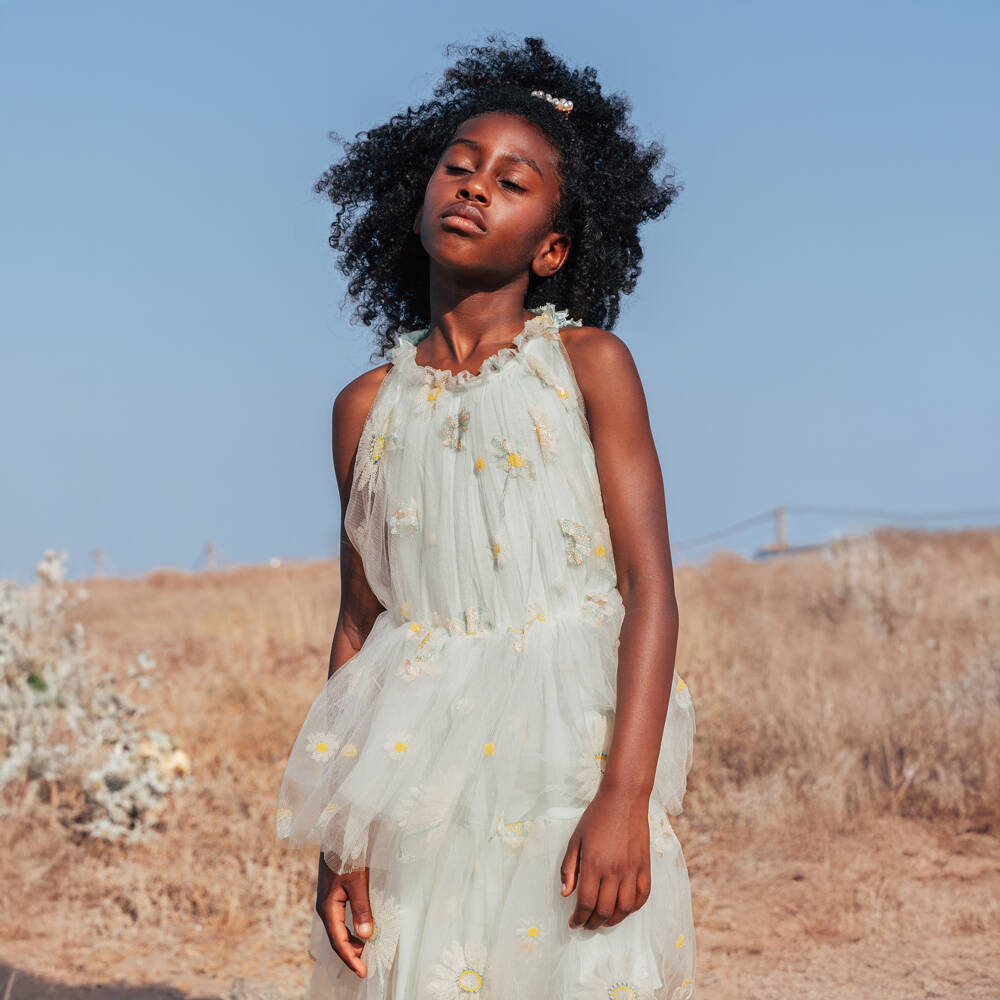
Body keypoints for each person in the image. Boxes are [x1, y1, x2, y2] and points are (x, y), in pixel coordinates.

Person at [276, 35, 698, 999]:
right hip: (411, 765)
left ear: (552, 246)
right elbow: (358, 624)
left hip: (566, 751)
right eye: (458, 168)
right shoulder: (363, 407)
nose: (473, 188)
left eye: (512, 182)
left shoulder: (589, 367)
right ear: (416, 198)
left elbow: (651, 591)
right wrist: (342, 838)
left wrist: (625, 795)